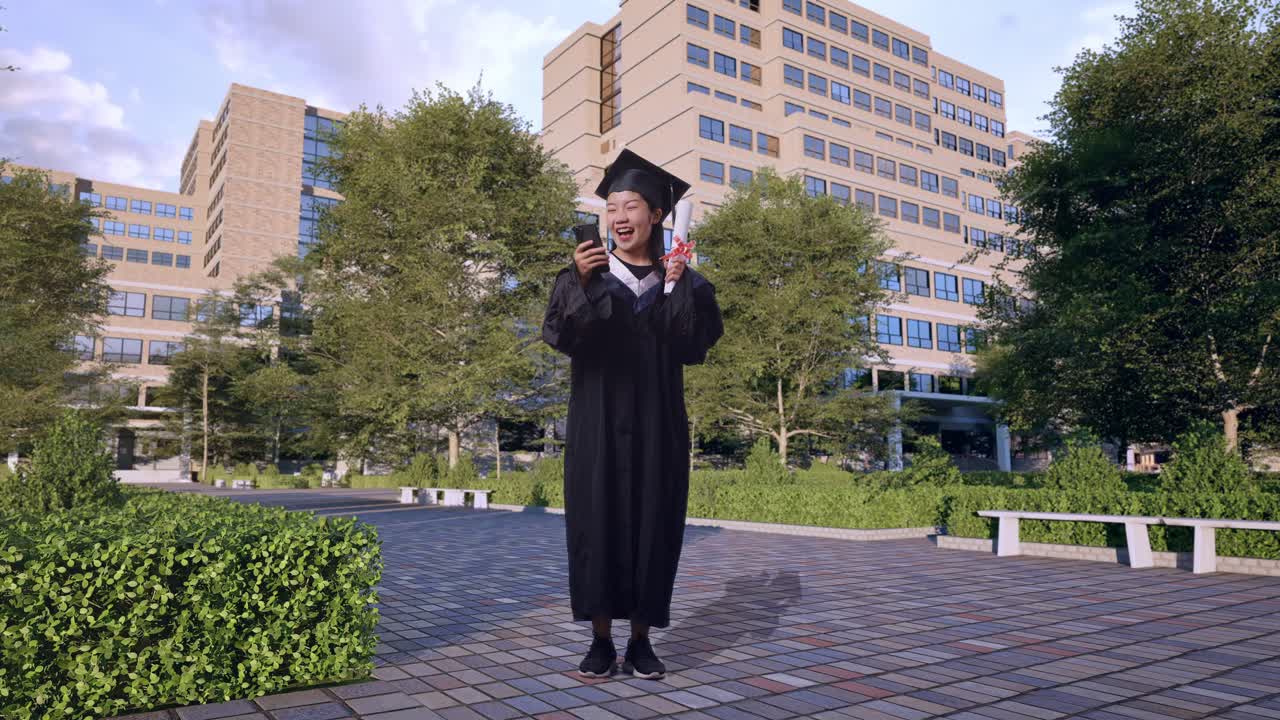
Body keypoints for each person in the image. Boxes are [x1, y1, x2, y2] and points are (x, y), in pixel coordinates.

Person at [541, 150, 724, 679]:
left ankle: (641, 641)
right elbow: (563, 336)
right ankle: (600, 642)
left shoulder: (682, 277)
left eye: (632, 206)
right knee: (596, 526)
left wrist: (680, 282)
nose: (619, 217)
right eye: (612, 208)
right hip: (596, 426)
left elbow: (693, 347)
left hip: (658, 425)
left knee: (653, 524)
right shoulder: (582, 274)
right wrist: (578, 281)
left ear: (657, 216)